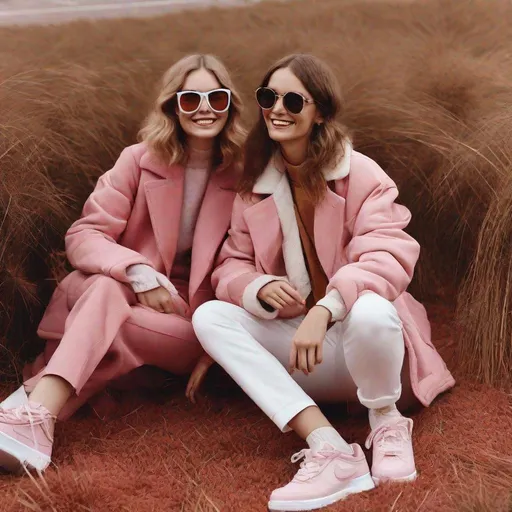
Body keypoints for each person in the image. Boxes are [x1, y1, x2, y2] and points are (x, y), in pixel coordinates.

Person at [192, 54, 455, 511]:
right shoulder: (255, 185)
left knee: (371, 307)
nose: (278, 108)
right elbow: (230, 266)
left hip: (372, 360)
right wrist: (256, 287)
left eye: (294, 99)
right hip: (306, 360)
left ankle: (386, 422)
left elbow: (387, 256)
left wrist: (324, 308)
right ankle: (328, 446)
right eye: (268, 96)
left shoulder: (363, 175)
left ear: (321, 113)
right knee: (210, 316)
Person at [0, 54, 245, 473]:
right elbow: (85, 235)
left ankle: (30, 406)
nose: (204, 108)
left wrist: (231, 333)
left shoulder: (245, 176)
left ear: (229, 106)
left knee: (114, 324)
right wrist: (138, 272)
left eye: (216, 98)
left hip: (184, 320)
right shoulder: (137, 160)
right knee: (110, 290)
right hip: (113, 291)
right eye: (190, 99)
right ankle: (36, 419)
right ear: (172, 106)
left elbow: (247, 259)